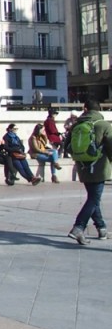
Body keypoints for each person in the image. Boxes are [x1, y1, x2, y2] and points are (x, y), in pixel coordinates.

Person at [67, 98, 112, 245]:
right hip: (99, 167)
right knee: (94, 199)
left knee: (93, 197)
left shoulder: (76, 126)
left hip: (82, 167)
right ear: (99, 109)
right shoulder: (104, 125)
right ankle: (78, 227)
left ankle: (101, 228)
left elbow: (67, 146)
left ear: (85, 108)